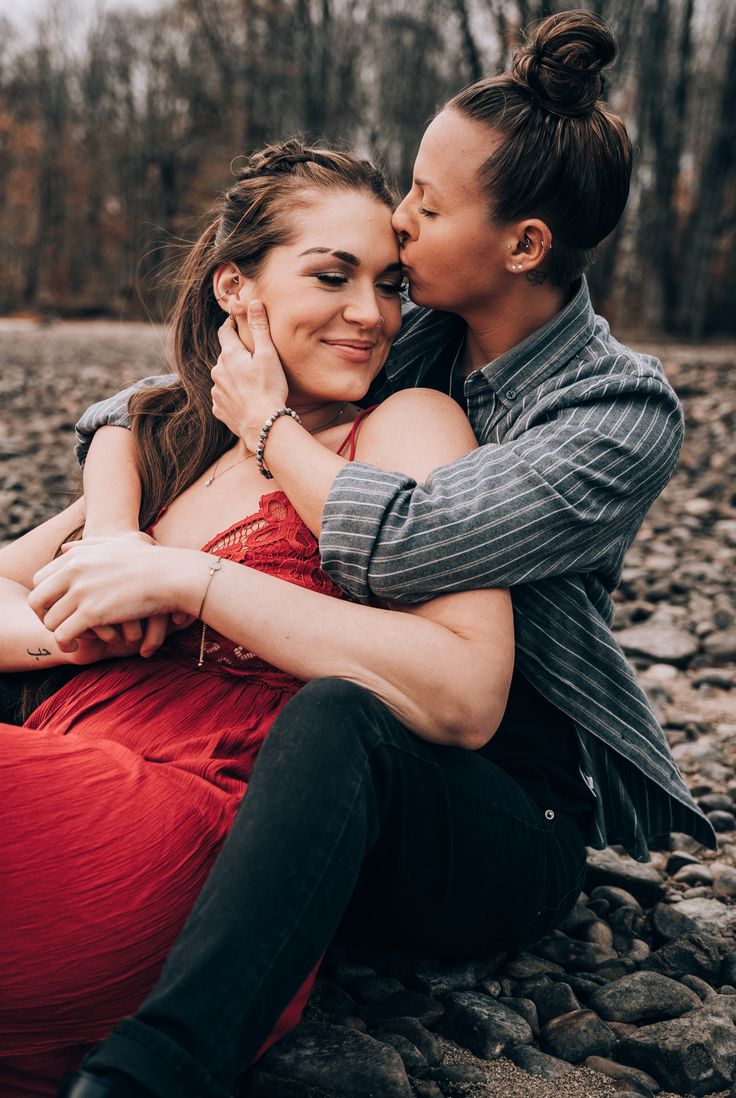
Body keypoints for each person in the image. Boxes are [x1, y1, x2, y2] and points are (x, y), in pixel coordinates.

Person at [9, 10, 716, 1098]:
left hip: (487, 783)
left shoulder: (611, 411)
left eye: (425, 210)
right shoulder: (414, 323)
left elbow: (405, 541)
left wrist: (250, 456)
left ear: (522, 244)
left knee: (337, 715)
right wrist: (121, 515)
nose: (401, 225)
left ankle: (158, 1070)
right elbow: (149, 402)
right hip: (336, 740)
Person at [0, 142, 516, 1098]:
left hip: (198, 829)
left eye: (391, 284)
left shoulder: (404, 426)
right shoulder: (176, 445)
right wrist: (77, 627)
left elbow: (462, 689)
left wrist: (183, 579)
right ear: (238, 289)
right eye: (333, 275)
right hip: (73, 751)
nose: (371, 313)